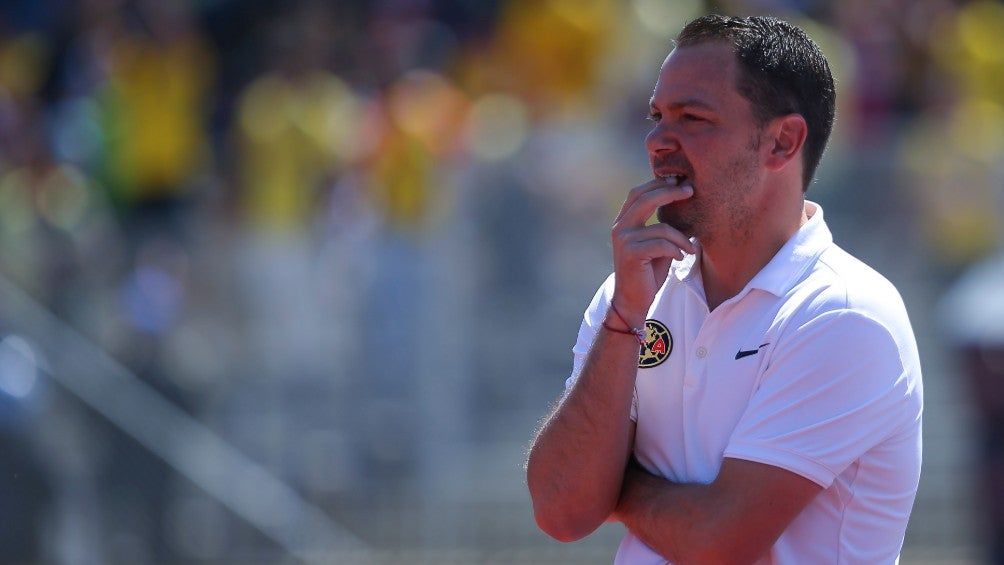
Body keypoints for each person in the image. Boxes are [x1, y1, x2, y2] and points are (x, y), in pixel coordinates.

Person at [525, 14, 923, 565]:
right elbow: (561, 510)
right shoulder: (631, 295)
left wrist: (617, 488)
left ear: (783, 141)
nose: (658, 141)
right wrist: (623, 321)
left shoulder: (843, 314)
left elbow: (718, 542)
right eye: (657, 116)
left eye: (692, 118)